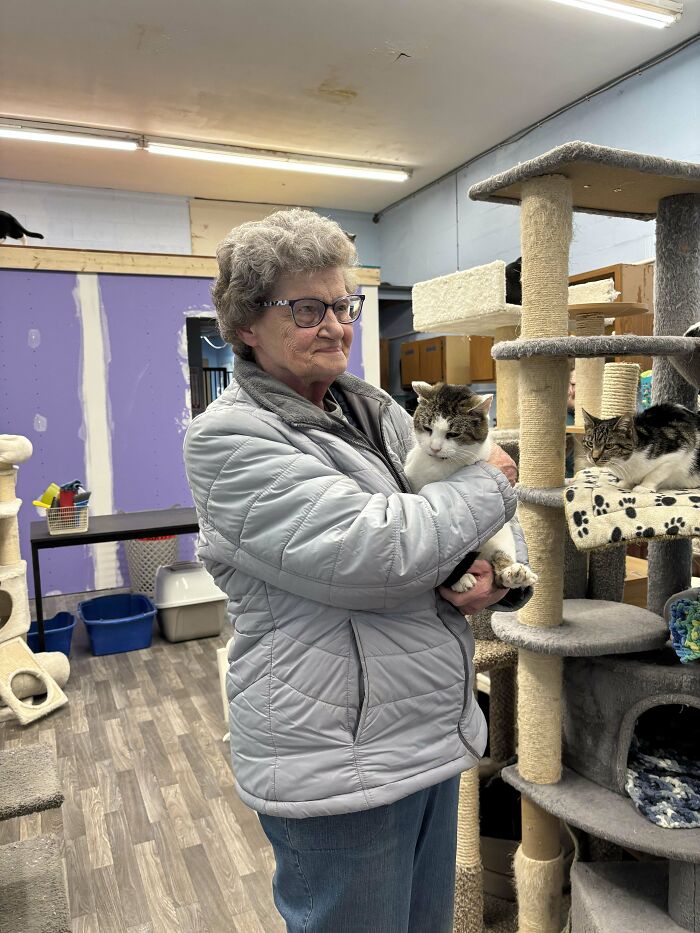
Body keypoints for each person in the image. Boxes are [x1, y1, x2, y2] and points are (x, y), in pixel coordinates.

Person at [184, 208, 532, 933]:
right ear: (246, 324)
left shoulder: (371, 410)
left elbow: (446, 520)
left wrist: (493, 569)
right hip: (337, 763)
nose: (336, 325)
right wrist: (497, 479)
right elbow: (371, 550)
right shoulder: (229, 438)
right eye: (308, 308)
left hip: (425, 734)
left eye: (343, 304)